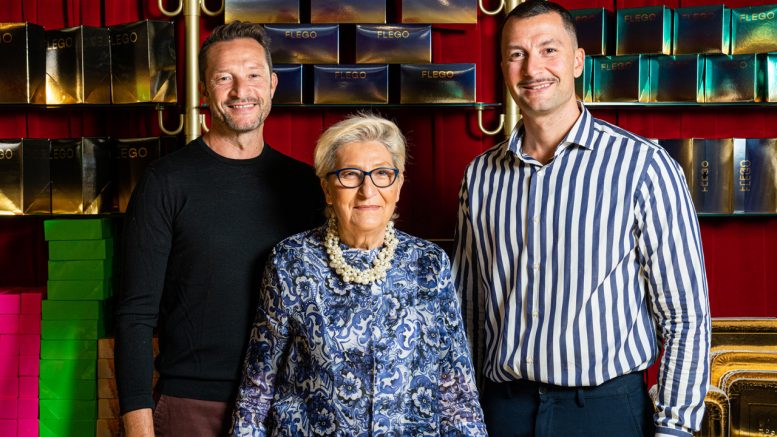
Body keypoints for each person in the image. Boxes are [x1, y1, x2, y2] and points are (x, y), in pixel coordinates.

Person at [452, 1, 710, 436]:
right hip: (503, 410)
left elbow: (686, 316)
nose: (533, 68)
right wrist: (463, 414)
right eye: (517, 54)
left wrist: (675, 428)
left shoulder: (643, 166)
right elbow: (469, 314)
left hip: (604, 411)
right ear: (504, 68)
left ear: (577, 61)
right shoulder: (479, 177)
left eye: (548, 50)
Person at [115, 21, 324, 437]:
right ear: (204, 90)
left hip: (285, 406)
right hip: (191, 406)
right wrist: (139, 429)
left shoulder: (305, 186)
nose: (240, 90)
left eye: (253, 75)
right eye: (224, 77)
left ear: (272, 85)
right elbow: (134, 316)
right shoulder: (165, 182)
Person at [230, 113, 487, 436]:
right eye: (350, 175)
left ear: (398, 185)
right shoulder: (291, 261)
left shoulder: (429, 264)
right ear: (327, 188)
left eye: (382, 174)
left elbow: (457, 393)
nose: (368, 190)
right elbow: (257, 389)